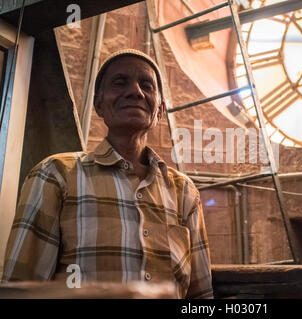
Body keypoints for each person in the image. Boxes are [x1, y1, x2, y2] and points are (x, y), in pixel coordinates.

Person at [1, 49, 213, 299]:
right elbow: (22, 290)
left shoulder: (184, 192)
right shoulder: (56, 175)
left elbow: (201, 297)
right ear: (99, 105)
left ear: (160, 110)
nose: (135, 92)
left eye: (147, 85)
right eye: (119, 82)